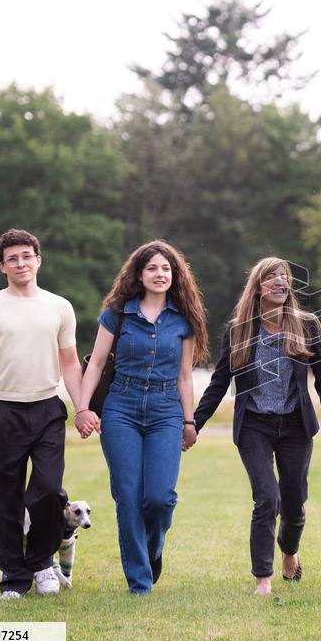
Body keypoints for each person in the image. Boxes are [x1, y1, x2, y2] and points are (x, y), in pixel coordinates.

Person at [192, 257, 321, 596]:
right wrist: (194, 424)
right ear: (258, 287)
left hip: (296, 427)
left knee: (294, 501)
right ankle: (263, 578)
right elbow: (219, 381)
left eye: (285, 279)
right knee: (266, 498)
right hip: (254, 425)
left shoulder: (307, 325)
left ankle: (290, 552)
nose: (281, 284)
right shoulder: (239, 329)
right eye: (272, 279)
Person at [76, 240, 208, 595]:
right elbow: (98, 363)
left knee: (160, 498)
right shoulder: (117, 313)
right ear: (139, 273)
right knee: (128, 495)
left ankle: (153, 552)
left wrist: (189, 421)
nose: (159, 274)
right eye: (152, 268)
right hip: (121, 408)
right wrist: (83, 407)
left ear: (175, 274)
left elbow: (184, 376)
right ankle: (140, 582)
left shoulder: (183, 321)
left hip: (166, 410)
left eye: (166, 268)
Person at [0, 228, 84, 599]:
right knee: (6, 496)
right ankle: (14, 575)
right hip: (5, 411)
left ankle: (41, 561)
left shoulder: (59, 306)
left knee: (47, 491)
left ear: (38, 260)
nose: (21, 262)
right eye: (12, 258)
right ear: (2, 266)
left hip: (48, 409)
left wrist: (83, 407)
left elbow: (71, 363)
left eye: (27, 255)